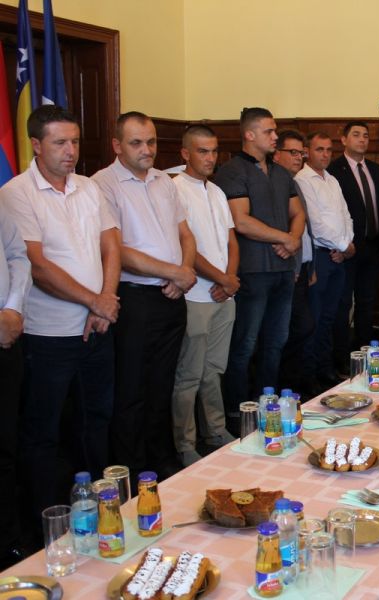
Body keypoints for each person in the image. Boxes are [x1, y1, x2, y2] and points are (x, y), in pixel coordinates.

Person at [1, 105, 119, 518]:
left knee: (97, 420)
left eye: (75, 142)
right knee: (45, 431)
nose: (71, 151)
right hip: (48, 336)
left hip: (98, 327)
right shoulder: (17, 193)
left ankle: (99, 508)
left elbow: (111, 245)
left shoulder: (88, 187)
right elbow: (36, 265)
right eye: (60, 143)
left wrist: (106, 300)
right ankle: (48, 518)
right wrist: (94, 300)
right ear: (36, 144)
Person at [93, 111, 195, 481]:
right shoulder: (102, 184)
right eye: (136, 142)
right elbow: (116, 250)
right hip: (134, 299)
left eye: (151, 142)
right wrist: (174, 272)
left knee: (162, 384)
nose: (146, 149)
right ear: (117, 145)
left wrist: (183, 273)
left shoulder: (164, 181)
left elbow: (185, 234)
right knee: (132, 389)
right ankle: (132, 469)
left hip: (172, 296)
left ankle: (161, 460)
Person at [214, 108, 303, 431]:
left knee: (276, 341)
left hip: (283, 269)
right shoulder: (232, 171)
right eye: (269, 131)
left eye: (275, 131)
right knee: (245, 345)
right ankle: (238, 412)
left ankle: (268, 405)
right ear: (249, 134)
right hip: (252, 271)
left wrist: (293, 239)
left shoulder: (280, 172)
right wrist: (284, 237)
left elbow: (298, 213)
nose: (275, 136)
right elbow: (241, 221)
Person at [170, 125, 239, 466]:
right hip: (196, 295)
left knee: (213, 370)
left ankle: (215, 429)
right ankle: (185, 443)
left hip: (224, 296)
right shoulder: (175, 189)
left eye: (214, 151)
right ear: (185, 153)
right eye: (202, 151)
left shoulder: (217, 191)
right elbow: (187, 247)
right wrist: (221, 278)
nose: (210, 158)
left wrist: (230, 280)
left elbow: (231, 241)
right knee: (189, 375)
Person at [294, 132, 354, 392]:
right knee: (315, 320)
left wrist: (346, 246)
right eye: (320, 149)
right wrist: (342, 245)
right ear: (307, 151)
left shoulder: (332, 180)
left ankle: (325, 369)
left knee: (331, 317)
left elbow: (345, 215)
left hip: (337, 256)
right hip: (319, 256)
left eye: (329, 149)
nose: (326, 154)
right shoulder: (302, 180)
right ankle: (309, 377)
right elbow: (314, 223)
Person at [328, 122, 379, 369]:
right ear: (343, 140)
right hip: (348, 247)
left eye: (365, 135)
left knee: (367, 303)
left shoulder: (376, 169)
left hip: (373, 246)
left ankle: (365, 356)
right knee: (343, 305)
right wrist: (341, 244)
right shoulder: (333, 170)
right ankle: (342, 359)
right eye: (356, 135)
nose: (362, 139)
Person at [272, 129, 316, 394]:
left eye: (301, 152)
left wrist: (311, 266)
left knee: (303, 328)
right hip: (287, 269)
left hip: (304, 267)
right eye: (293, 152)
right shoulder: (275, 184)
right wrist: (294, 266)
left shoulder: (294, 183)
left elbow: (306, 230)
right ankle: (284, 388)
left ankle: (296, 385)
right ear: (276, 154)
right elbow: (283, 231)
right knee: (292, 330)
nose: (299, 157)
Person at [0, 192, 30, 567]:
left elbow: (17, 255)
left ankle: (7, 543)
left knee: (6, 448)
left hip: (7, 335)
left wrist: (11, 309)